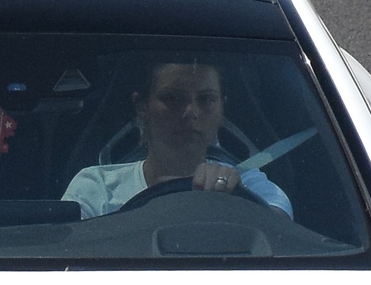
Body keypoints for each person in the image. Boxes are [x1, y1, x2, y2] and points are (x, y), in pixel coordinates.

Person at [62, 62, 292, 217]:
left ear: (221, 109)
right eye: (172, 98)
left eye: (206, 99)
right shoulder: (97, 187)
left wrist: (235, 200)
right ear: (142, 107)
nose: (190, 111)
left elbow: (280, 225)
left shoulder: (247, 182)